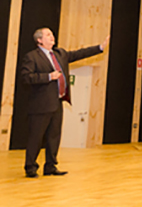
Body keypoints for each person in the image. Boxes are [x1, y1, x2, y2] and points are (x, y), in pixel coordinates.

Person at [20, 28, 107, 178]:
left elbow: (79, 53)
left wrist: (100, 48)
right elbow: (26, 78)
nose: (52, 37)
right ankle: (30, 167)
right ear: (39, 40)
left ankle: (51, 166)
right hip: (40, 105)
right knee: (36, 137)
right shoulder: (32, 57)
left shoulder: (60, 54)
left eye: (52, 34)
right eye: (48, 35)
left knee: (54, 136)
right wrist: (48, 76)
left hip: (57, 102)